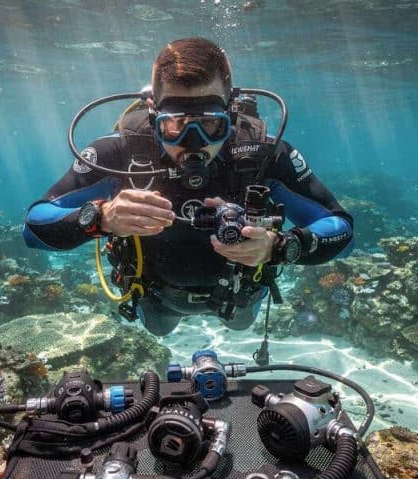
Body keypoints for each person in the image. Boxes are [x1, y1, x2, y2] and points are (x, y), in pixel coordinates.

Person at [23, 37, 353, 336]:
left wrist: (280, 247)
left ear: (231, 112)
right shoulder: (120, 152)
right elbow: (35, 227)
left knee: (240, 323)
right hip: (156, 294)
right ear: (153, 115)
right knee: (160, 329)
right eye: (175, 125)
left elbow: (341, 230)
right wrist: (100, 218)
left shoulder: (264, 155)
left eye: (211, 124)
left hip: (241, 293)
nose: (193, 144)